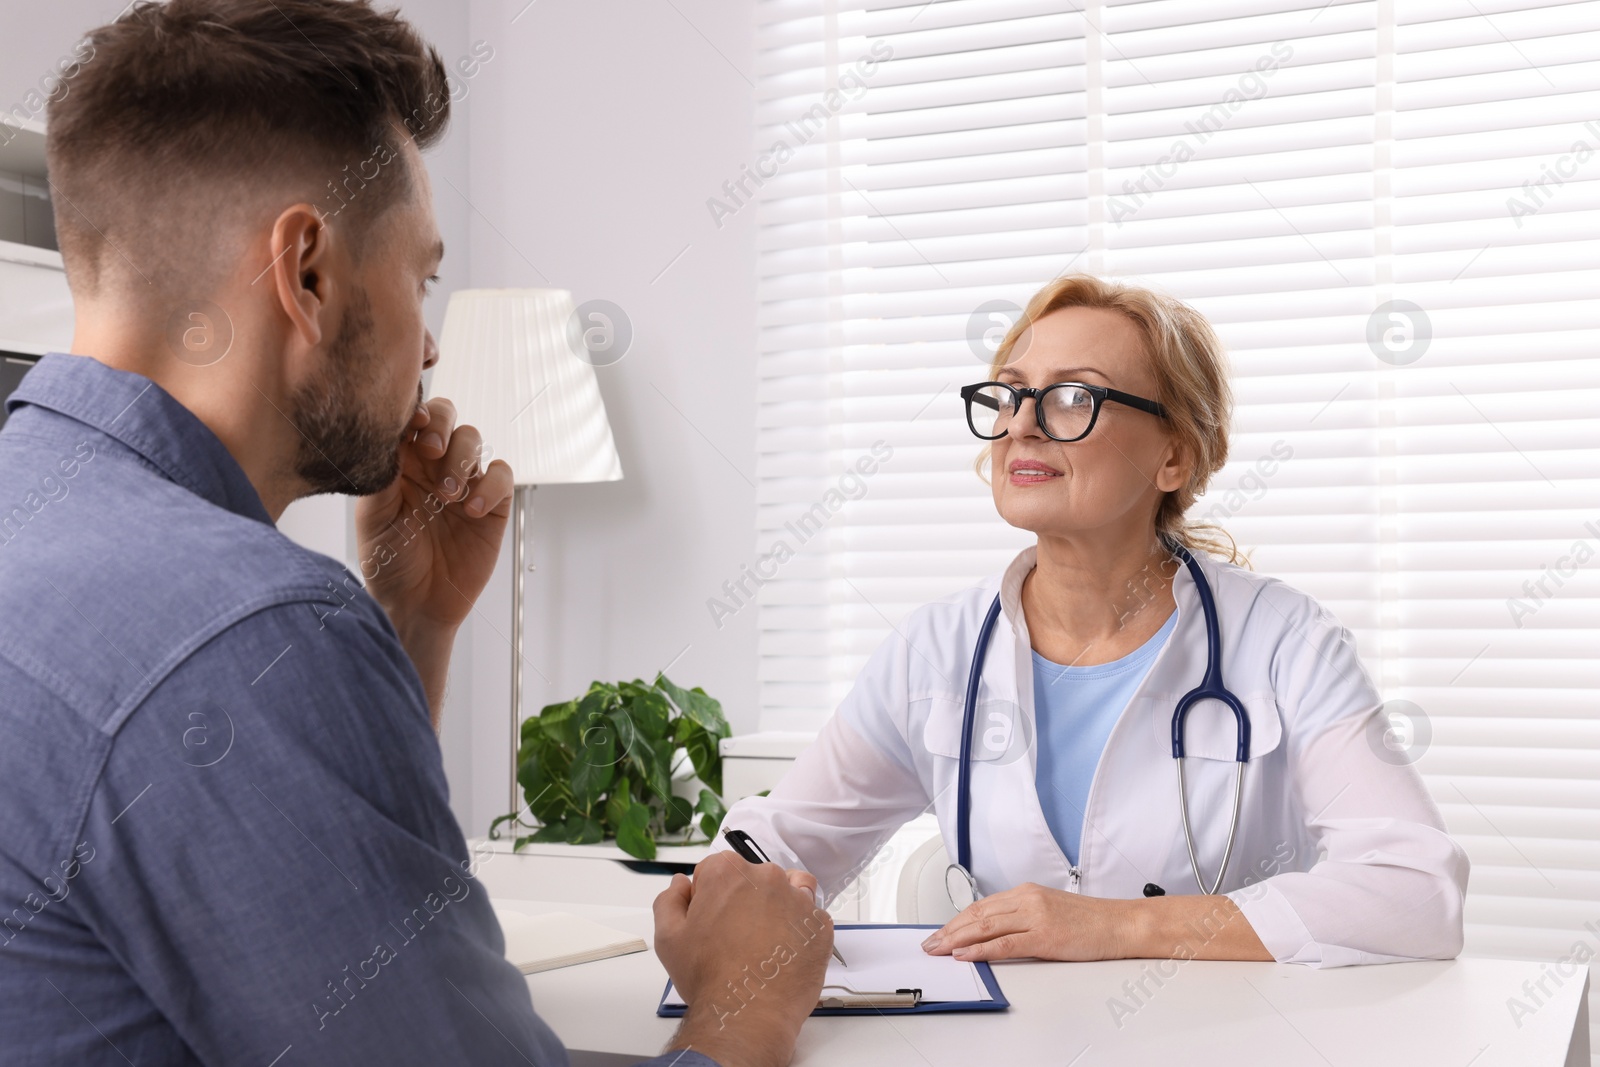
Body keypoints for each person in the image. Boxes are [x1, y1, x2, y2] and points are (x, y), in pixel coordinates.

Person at [0, 2, 829, 1065]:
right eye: (421, 273)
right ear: (306, 271)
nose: (428, 344)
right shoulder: (247, 633)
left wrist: (413, 627)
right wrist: (744, 998)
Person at [719, 275, 1469, 968]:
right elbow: (777, 842)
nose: (1023, 426)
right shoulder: (937, 651)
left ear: (1173, 456)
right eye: (1012, 394)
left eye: (1074, 396)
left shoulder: (1285, 642)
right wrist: (714, 891)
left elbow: (1416, 893)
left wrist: (1116, 924)